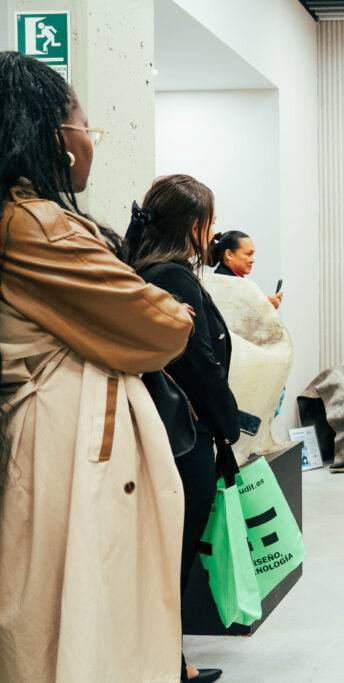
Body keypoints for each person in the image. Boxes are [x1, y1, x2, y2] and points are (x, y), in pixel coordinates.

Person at [0, 51, 194, 682]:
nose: (91, 144)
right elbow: (162, 325)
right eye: (87, 127)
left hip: (55, 441)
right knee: (80, 608)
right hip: (67, 449)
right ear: (52, 135)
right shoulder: (37, 224)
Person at [127, 175, 242, 683]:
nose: (212, 233)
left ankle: (164, 660)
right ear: (194, 226)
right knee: (173, 557)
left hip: (161, 433)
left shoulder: (140, 270)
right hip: (184, 439)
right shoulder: (172, 277)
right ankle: (169, 666)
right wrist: (230, 423)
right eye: (209, 222)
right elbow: (197, 363)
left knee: (160, 555)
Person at [209, 230, 283, 309]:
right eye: (248, 254)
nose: (252, 260)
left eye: (252, 254)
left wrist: (266, 303)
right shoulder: (225, 285)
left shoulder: (232, 281)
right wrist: (267, 307)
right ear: (229, 254)